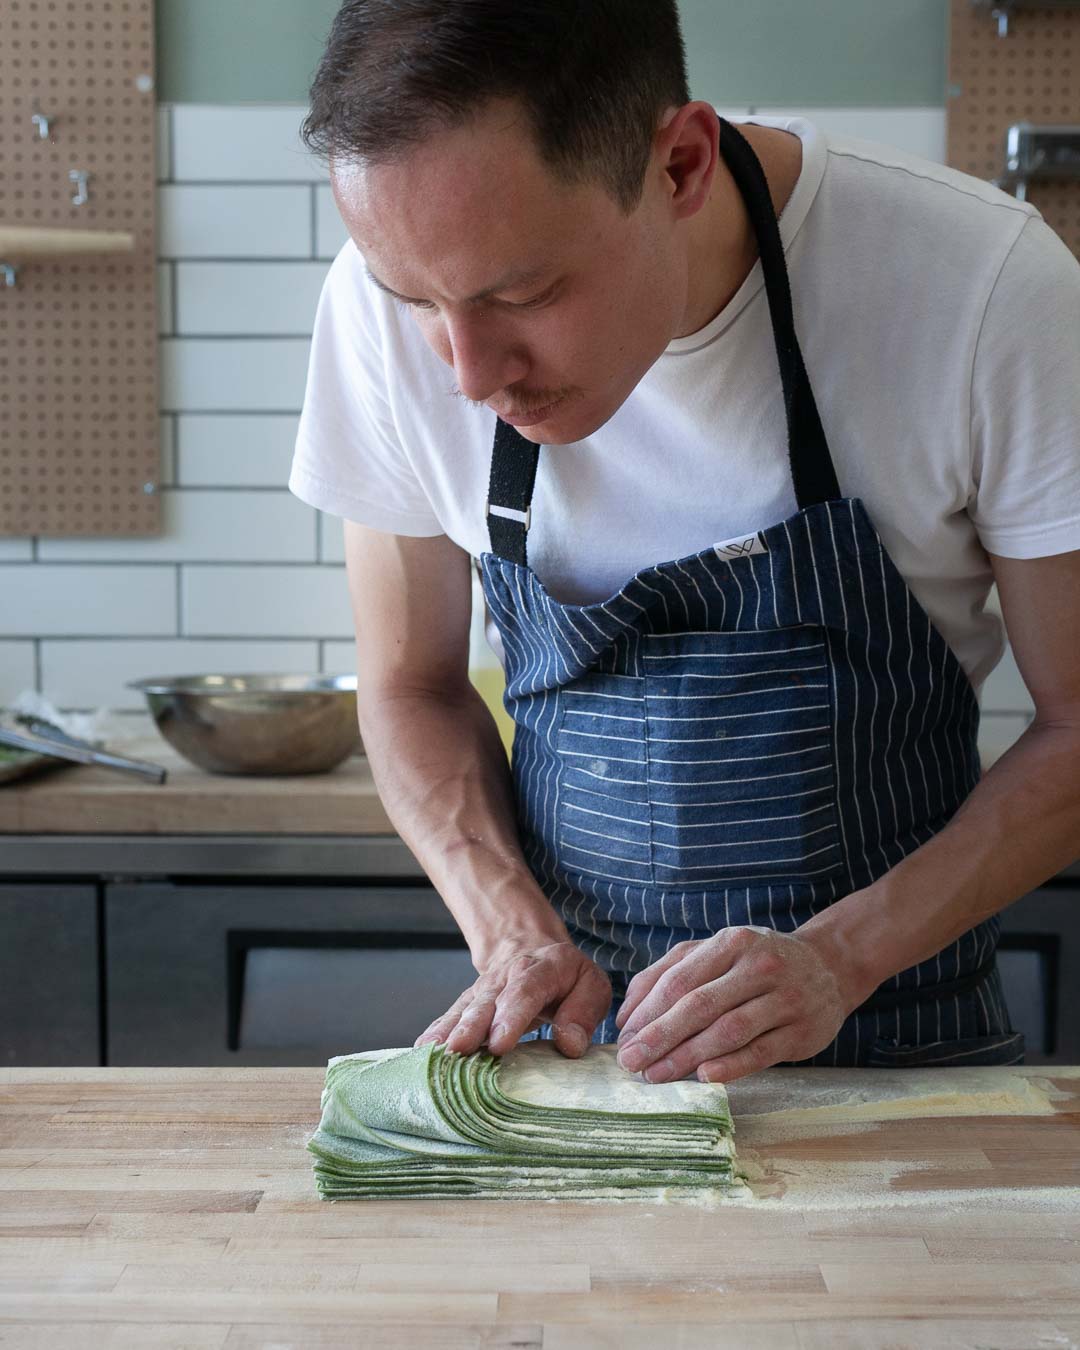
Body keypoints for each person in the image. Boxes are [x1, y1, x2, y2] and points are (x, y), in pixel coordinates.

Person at [289, 0, 1080, 1083]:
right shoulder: (382, 316)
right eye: (415, 300)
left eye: (522, 293)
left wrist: (837, 960)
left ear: (681, 165)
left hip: (907, 1069)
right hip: (578, 1070)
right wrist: (510, 928)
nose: (468, 375)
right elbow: (409, 686)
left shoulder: (981, 290)